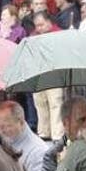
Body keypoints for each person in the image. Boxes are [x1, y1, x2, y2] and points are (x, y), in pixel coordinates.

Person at [30, 11, 63, 140]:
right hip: (38, 73)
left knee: (55, 104)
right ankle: (44, 132)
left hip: (54, 73)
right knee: (40, 103)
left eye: (41, 25)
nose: (39, 28)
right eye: (37, 26)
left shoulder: (59, 34)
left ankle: (57, 134)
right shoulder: (34, 36)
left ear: (49, 22)